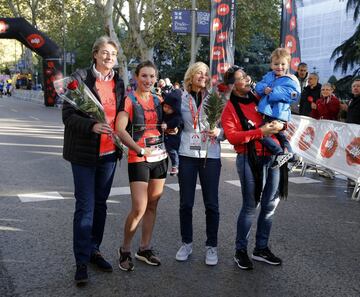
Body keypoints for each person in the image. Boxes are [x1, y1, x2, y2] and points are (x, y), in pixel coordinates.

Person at [62, 36, 125, 285]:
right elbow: (67, 116)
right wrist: (92, 125)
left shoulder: (119, 82)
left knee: (100, 206)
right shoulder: (78, 80)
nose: (109, 57)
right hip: (84, 154)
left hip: (109, 154)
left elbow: (122, 114)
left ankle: (94, 250)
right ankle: (80, 261)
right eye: (105, 53)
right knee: (85, 207)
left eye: (113, 53)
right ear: (95, 55)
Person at [221, 66, 285, 270]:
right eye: (242, 78)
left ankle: (261, 249)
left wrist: (279, 126)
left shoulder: (260, 97)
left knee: (269, 206)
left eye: (247, 76)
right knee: (250, 206)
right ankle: (241, 250)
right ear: (233, 85)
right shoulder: (229, 108)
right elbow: (232, 137)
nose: (248, 80)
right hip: (249, 158)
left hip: (272, 157)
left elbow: (281, 115)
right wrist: (260, 131)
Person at [115, 60, 168, 271]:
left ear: (156, 78)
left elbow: (163, 125)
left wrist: (168, 128)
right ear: (136, 77)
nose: (148, 80)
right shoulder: (129, 99)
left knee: (153, 205)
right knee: (139, 208)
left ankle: (144, 248)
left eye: (152, 76)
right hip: (139, 158)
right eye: (144, 76)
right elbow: (120, 129)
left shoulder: (158, 99)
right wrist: (138, 149)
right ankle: (125, 249)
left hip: (160, 156)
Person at [175, 62, 224, 266]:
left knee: (211, 204)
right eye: (199, 73)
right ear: (190, 76)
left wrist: (219, 132)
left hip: (210, 154)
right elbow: (173, 120)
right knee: (186, 203)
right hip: (187, 154)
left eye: (205, 74)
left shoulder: (215, 98)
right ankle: (186, 243)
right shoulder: (179, 97)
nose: (203, 76)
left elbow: (226, 126)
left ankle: (211, 246)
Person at [255, 48, 301, 168]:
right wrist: (264, 88)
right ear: (271, 64)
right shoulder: (268, 76)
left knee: (262, 132)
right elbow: (258, 86)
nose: (279, 67)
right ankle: (291, 155)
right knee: (280, 136)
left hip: (280, 113)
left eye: (282, 64)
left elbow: (294, 95)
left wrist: (273, 92)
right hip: (268, 112)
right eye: (276, 64)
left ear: (287, 65)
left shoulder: (290, 79)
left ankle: (280, 152)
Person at [341, 78, 360, 187]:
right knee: (352, 155)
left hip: (358, 134)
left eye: (358, 86)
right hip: (351, 134)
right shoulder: (351, 100)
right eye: (354, 86)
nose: (356, 88)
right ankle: (352, 177)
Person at [161, 89, 183, 176]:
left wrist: (167, 125)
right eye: (165, 106)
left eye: (169, 108)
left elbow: (177, 122)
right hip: (167, 138)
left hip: (175, 138)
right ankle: (176, 166)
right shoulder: (164, 113)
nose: (166, 109)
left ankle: (176, 166)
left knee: (174, 152)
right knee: (172, 152)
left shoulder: (177, 116)